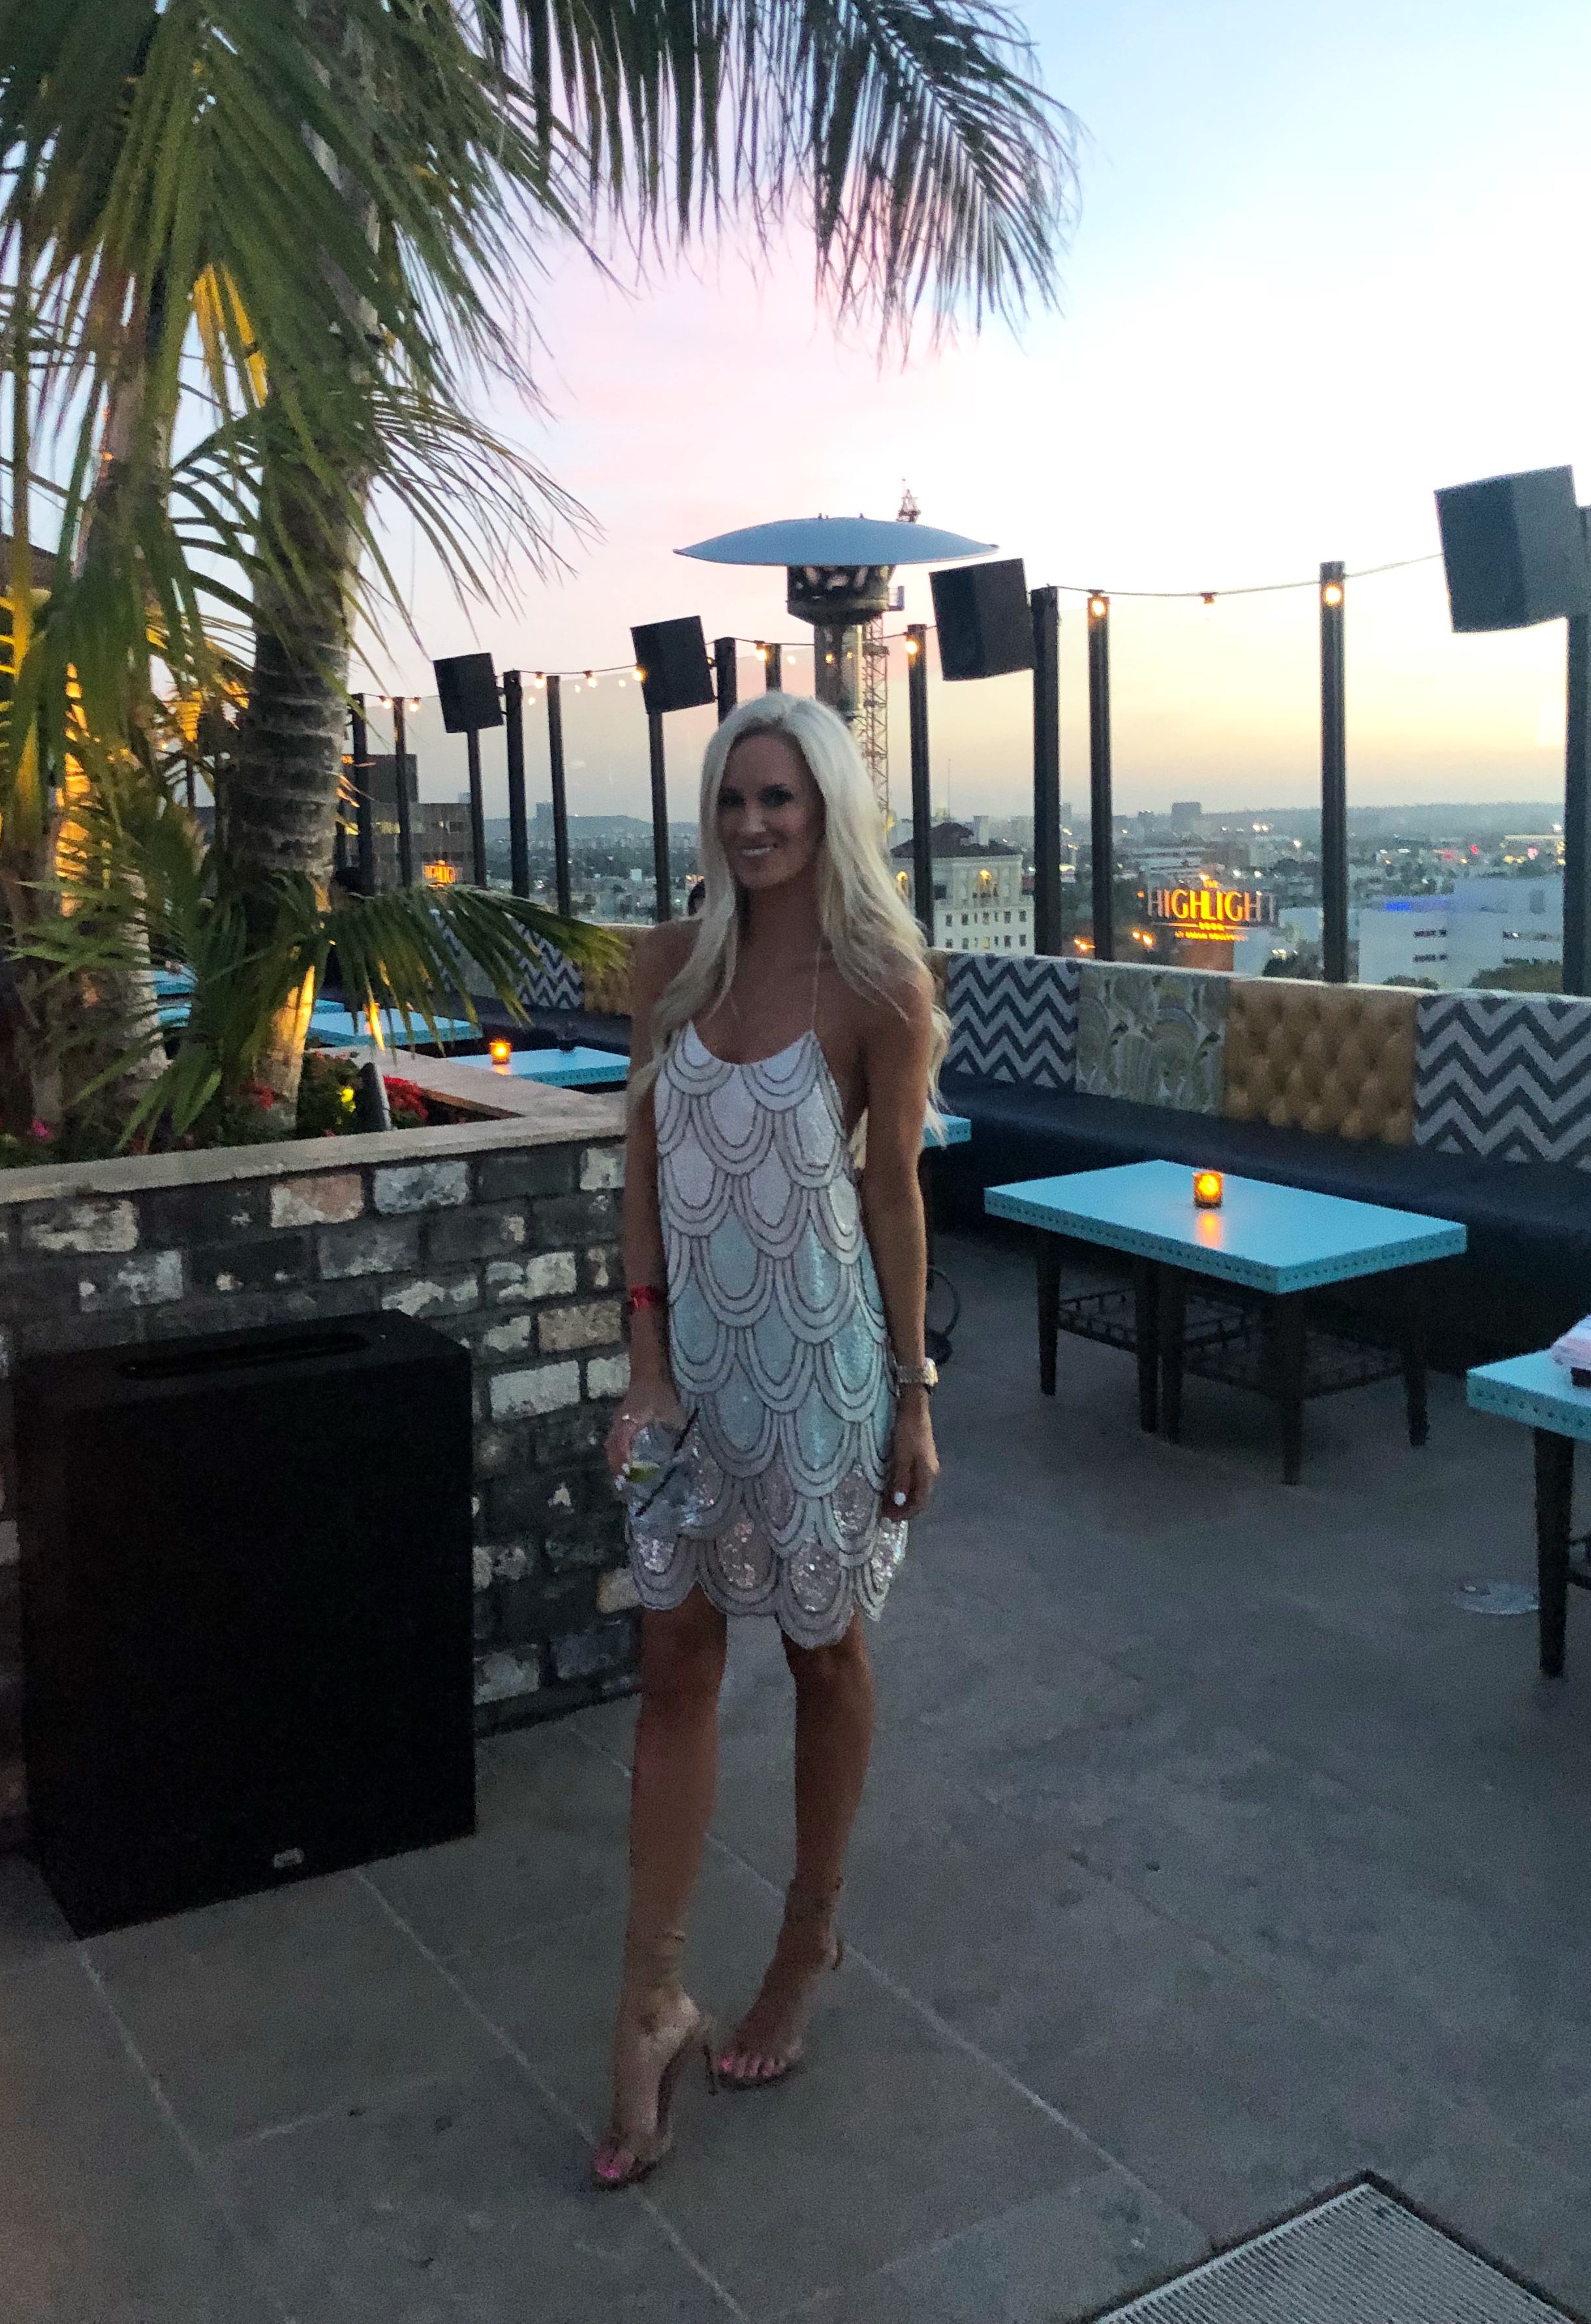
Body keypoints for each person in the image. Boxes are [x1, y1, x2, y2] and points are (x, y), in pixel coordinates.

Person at [592, 691, 945, 2188]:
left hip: (822, 1377)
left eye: (779, 800)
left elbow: (893, 1197)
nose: (752, 824)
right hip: (690, 1381)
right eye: (734, 799)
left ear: (828, 812)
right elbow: (639, 1173)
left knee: (822, 1659)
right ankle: (650, 2004)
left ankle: (808, 1941)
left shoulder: (878, 986)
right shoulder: (669, 967)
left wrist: (914, 1393)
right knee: (674, 1662)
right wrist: (644, 1362)